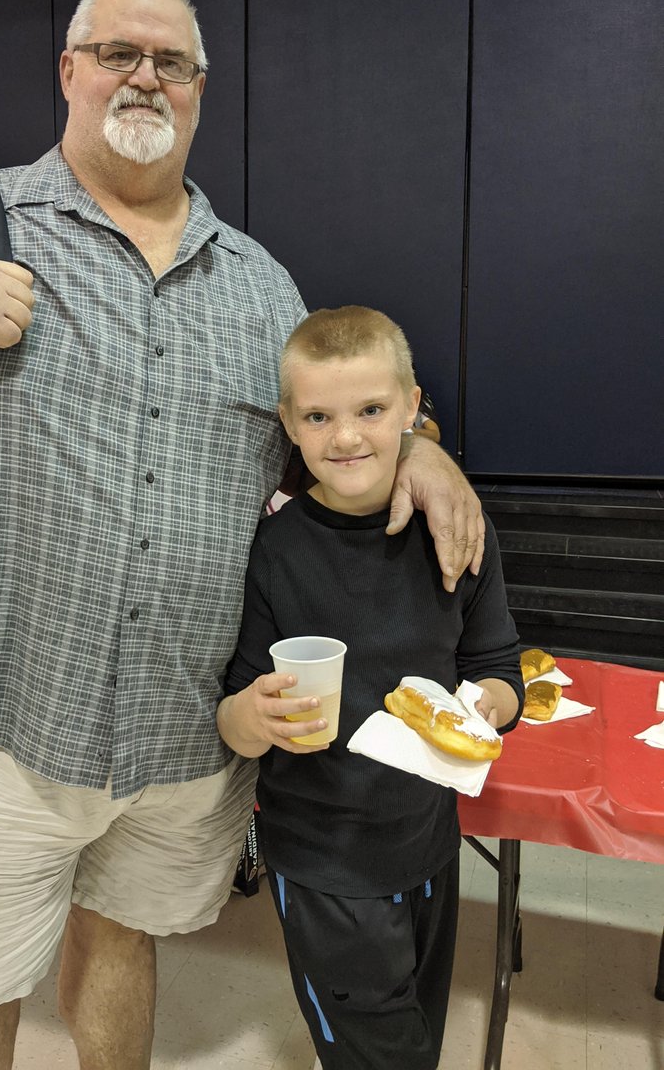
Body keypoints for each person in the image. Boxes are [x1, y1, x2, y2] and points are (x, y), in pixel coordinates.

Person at [0, 0, 486, 1070]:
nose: (145, 77)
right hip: (2, 719)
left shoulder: (258, 287)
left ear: (200, 90)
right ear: (69, 71)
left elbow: (345, 424)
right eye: (118, 53)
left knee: (124, 941)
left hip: (181, 735)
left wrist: (429, 456)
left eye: (172, 62)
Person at [217, 306, 523, 1070]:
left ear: (412, 408)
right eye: (318, 416)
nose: (346, 437)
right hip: (321, 860)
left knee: (415, 1032)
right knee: (383, 1056)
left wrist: (488, 705)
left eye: (371, 411)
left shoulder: (457, 530)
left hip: (428, 844)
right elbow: (231, 714)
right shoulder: (275, 553)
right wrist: (255, 717)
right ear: (288, 421)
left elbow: (500, 667)